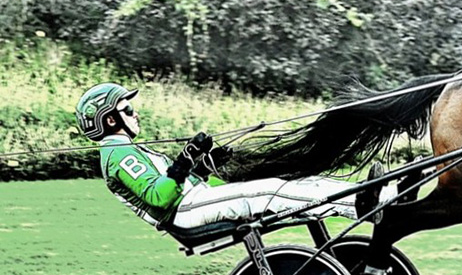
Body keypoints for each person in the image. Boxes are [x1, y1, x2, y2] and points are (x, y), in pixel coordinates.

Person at [75, 82, 397, 235]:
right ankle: (361, 203)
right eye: (127, 109)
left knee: (289, 183)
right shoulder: (118, 155)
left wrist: (201, 162)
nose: (135, 113)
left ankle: (364, 194)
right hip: (185, 213)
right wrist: (185, 159)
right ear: (110, 121)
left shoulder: (126, 151)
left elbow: (176, 182)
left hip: (192, 203)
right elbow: (160, 196)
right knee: (270, 190)